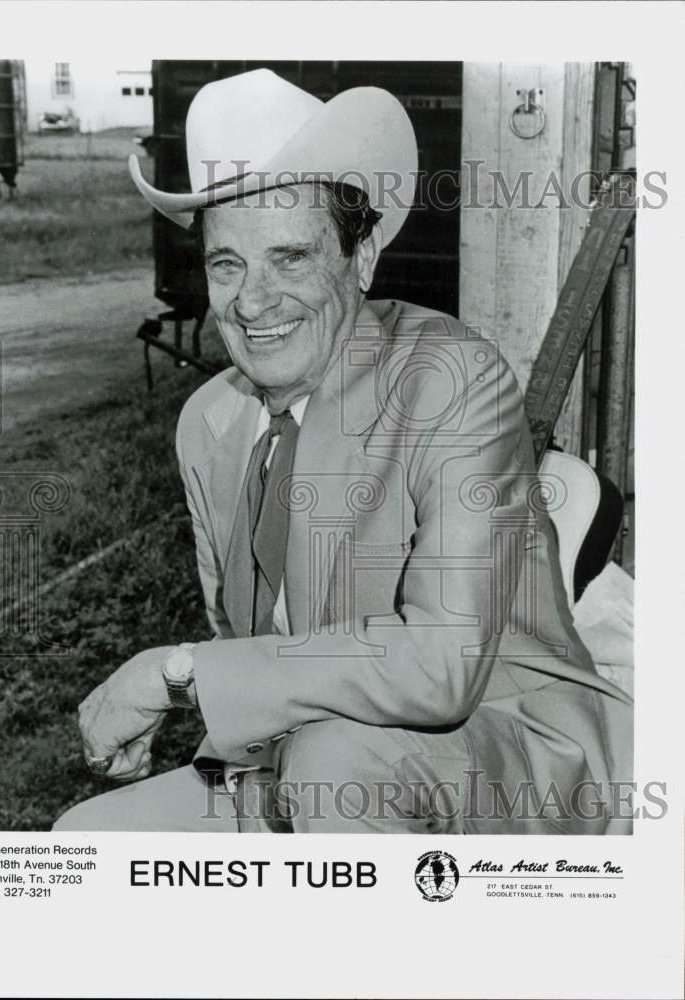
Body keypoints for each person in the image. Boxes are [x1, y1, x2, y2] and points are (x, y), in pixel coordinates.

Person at [55, 69, 632, 834]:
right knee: (85, 843)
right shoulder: (209, 423)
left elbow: (439, 667)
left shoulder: (447, 378)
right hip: (306, 764)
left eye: (290, 258)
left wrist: (177, 676)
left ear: (358, 260)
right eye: (228, 263)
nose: (252, 301)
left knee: (336, 763)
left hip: (509, 758)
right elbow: (250, 648)